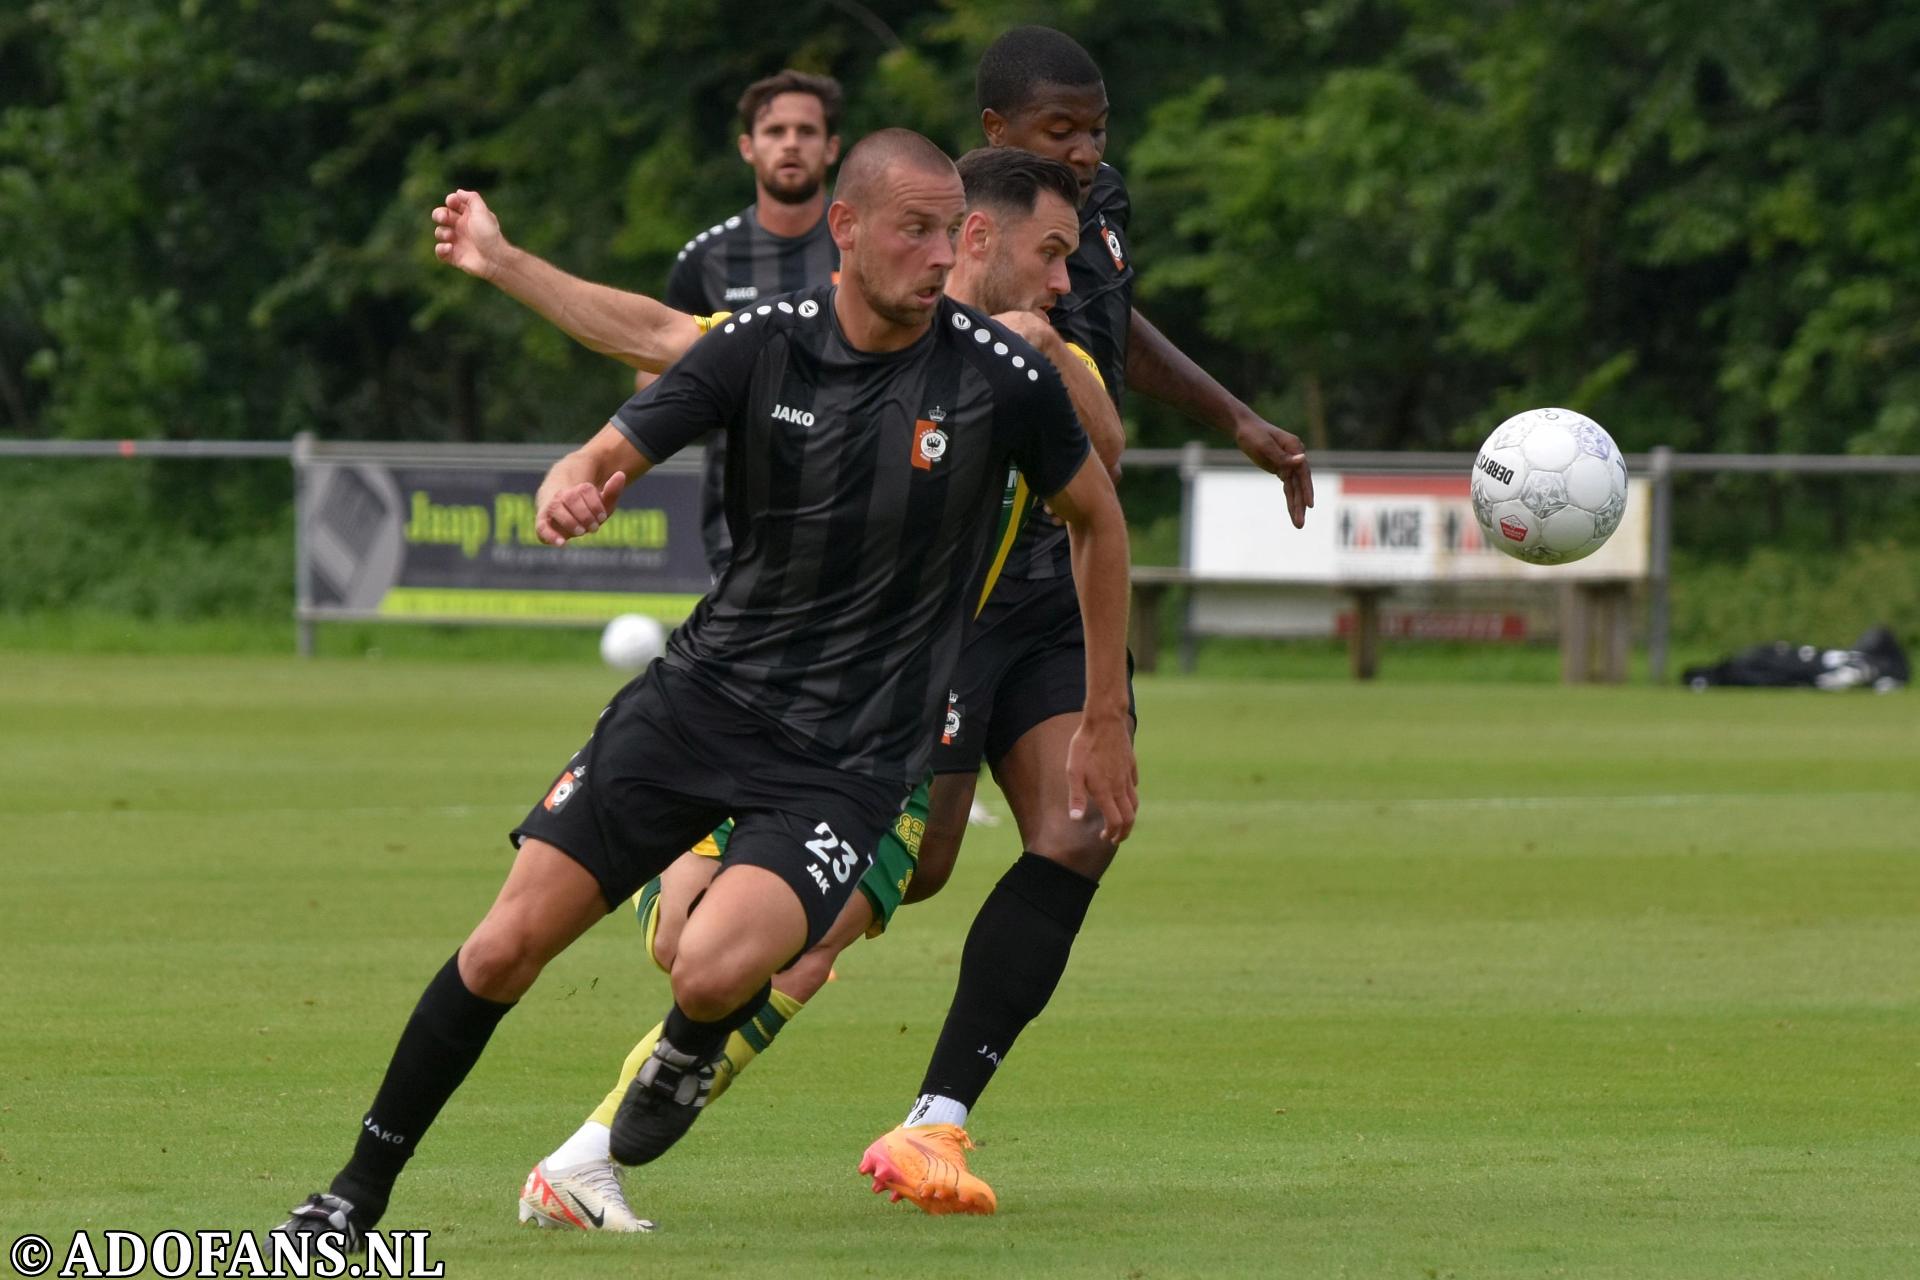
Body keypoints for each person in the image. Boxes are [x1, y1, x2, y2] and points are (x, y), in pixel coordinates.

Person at [273, 129, 1136, 1249]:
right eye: (915, 230)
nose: (938, 254)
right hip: (694, 704)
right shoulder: (760, 346)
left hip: (848, 754)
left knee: (721, 961)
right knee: (500, 949)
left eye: (948, 233)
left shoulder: (1003, 373)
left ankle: (684, 1048)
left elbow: (1100, 517)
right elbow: (611, 446)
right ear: (849, 229)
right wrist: (576, 480)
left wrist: (1105, 714)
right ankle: (351, 1194)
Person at [855, 26, 1315, 1216]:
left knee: (1083, 824)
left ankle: (935, 1120)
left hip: (1061, 577)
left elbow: (1119, 326)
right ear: (996, 138)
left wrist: (1239, 419)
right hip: (957, 581)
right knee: (922, 860)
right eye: (1061, 132)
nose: (1088, 148)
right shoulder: (962, 230)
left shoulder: (1092, 214)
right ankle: (707, 889)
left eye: (1097, 126)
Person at [657, 69, 843, 579]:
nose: (790, 144)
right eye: (774, 131)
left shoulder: (865, 250)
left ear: (831, 149)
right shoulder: (706, 259)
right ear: (747, 147)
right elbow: (655, 379)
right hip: (739, 526)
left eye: (806, 132)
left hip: (857, 516)